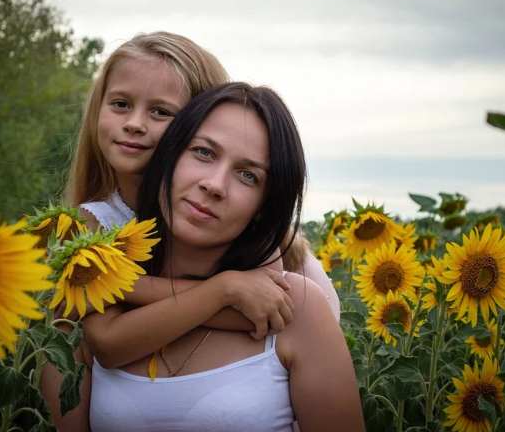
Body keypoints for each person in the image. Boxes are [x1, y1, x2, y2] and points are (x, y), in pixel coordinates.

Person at [83, 82, 364, 430]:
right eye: (203, 152)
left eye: (248, 175)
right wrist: (223, 289)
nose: (214, 184)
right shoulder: (95, 285)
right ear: (170, 156)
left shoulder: (296, 307)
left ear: (265, 206)